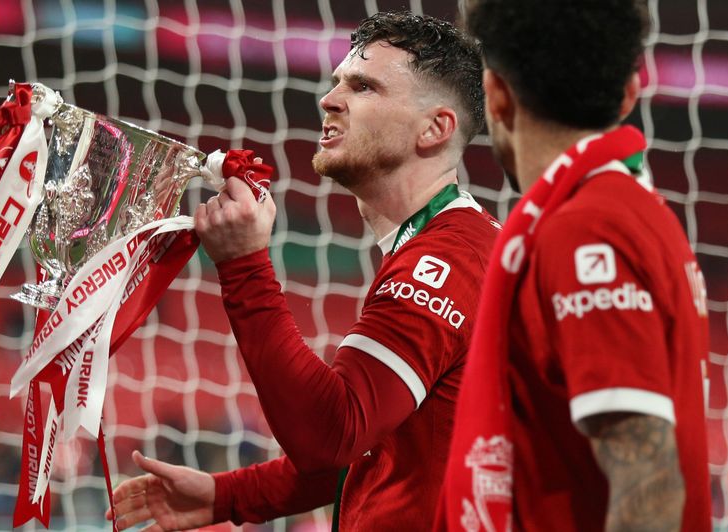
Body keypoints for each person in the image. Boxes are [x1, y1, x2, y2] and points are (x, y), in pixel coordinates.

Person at [107, 11, 500, 530]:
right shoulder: (444, 247)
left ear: (435, 128)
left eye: (363, 86)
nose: (329, 99)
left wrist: (245, 267)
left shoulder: (449, 260)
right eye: (337, 81)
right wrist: (226, 496)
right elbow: (369, 452)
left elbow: (332, 435)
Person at [436, 1, 711, 531]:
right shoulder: (629, 210)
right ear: (629, 92)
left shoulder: (586, 227)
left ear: (495, 95)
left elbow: (648, 481)